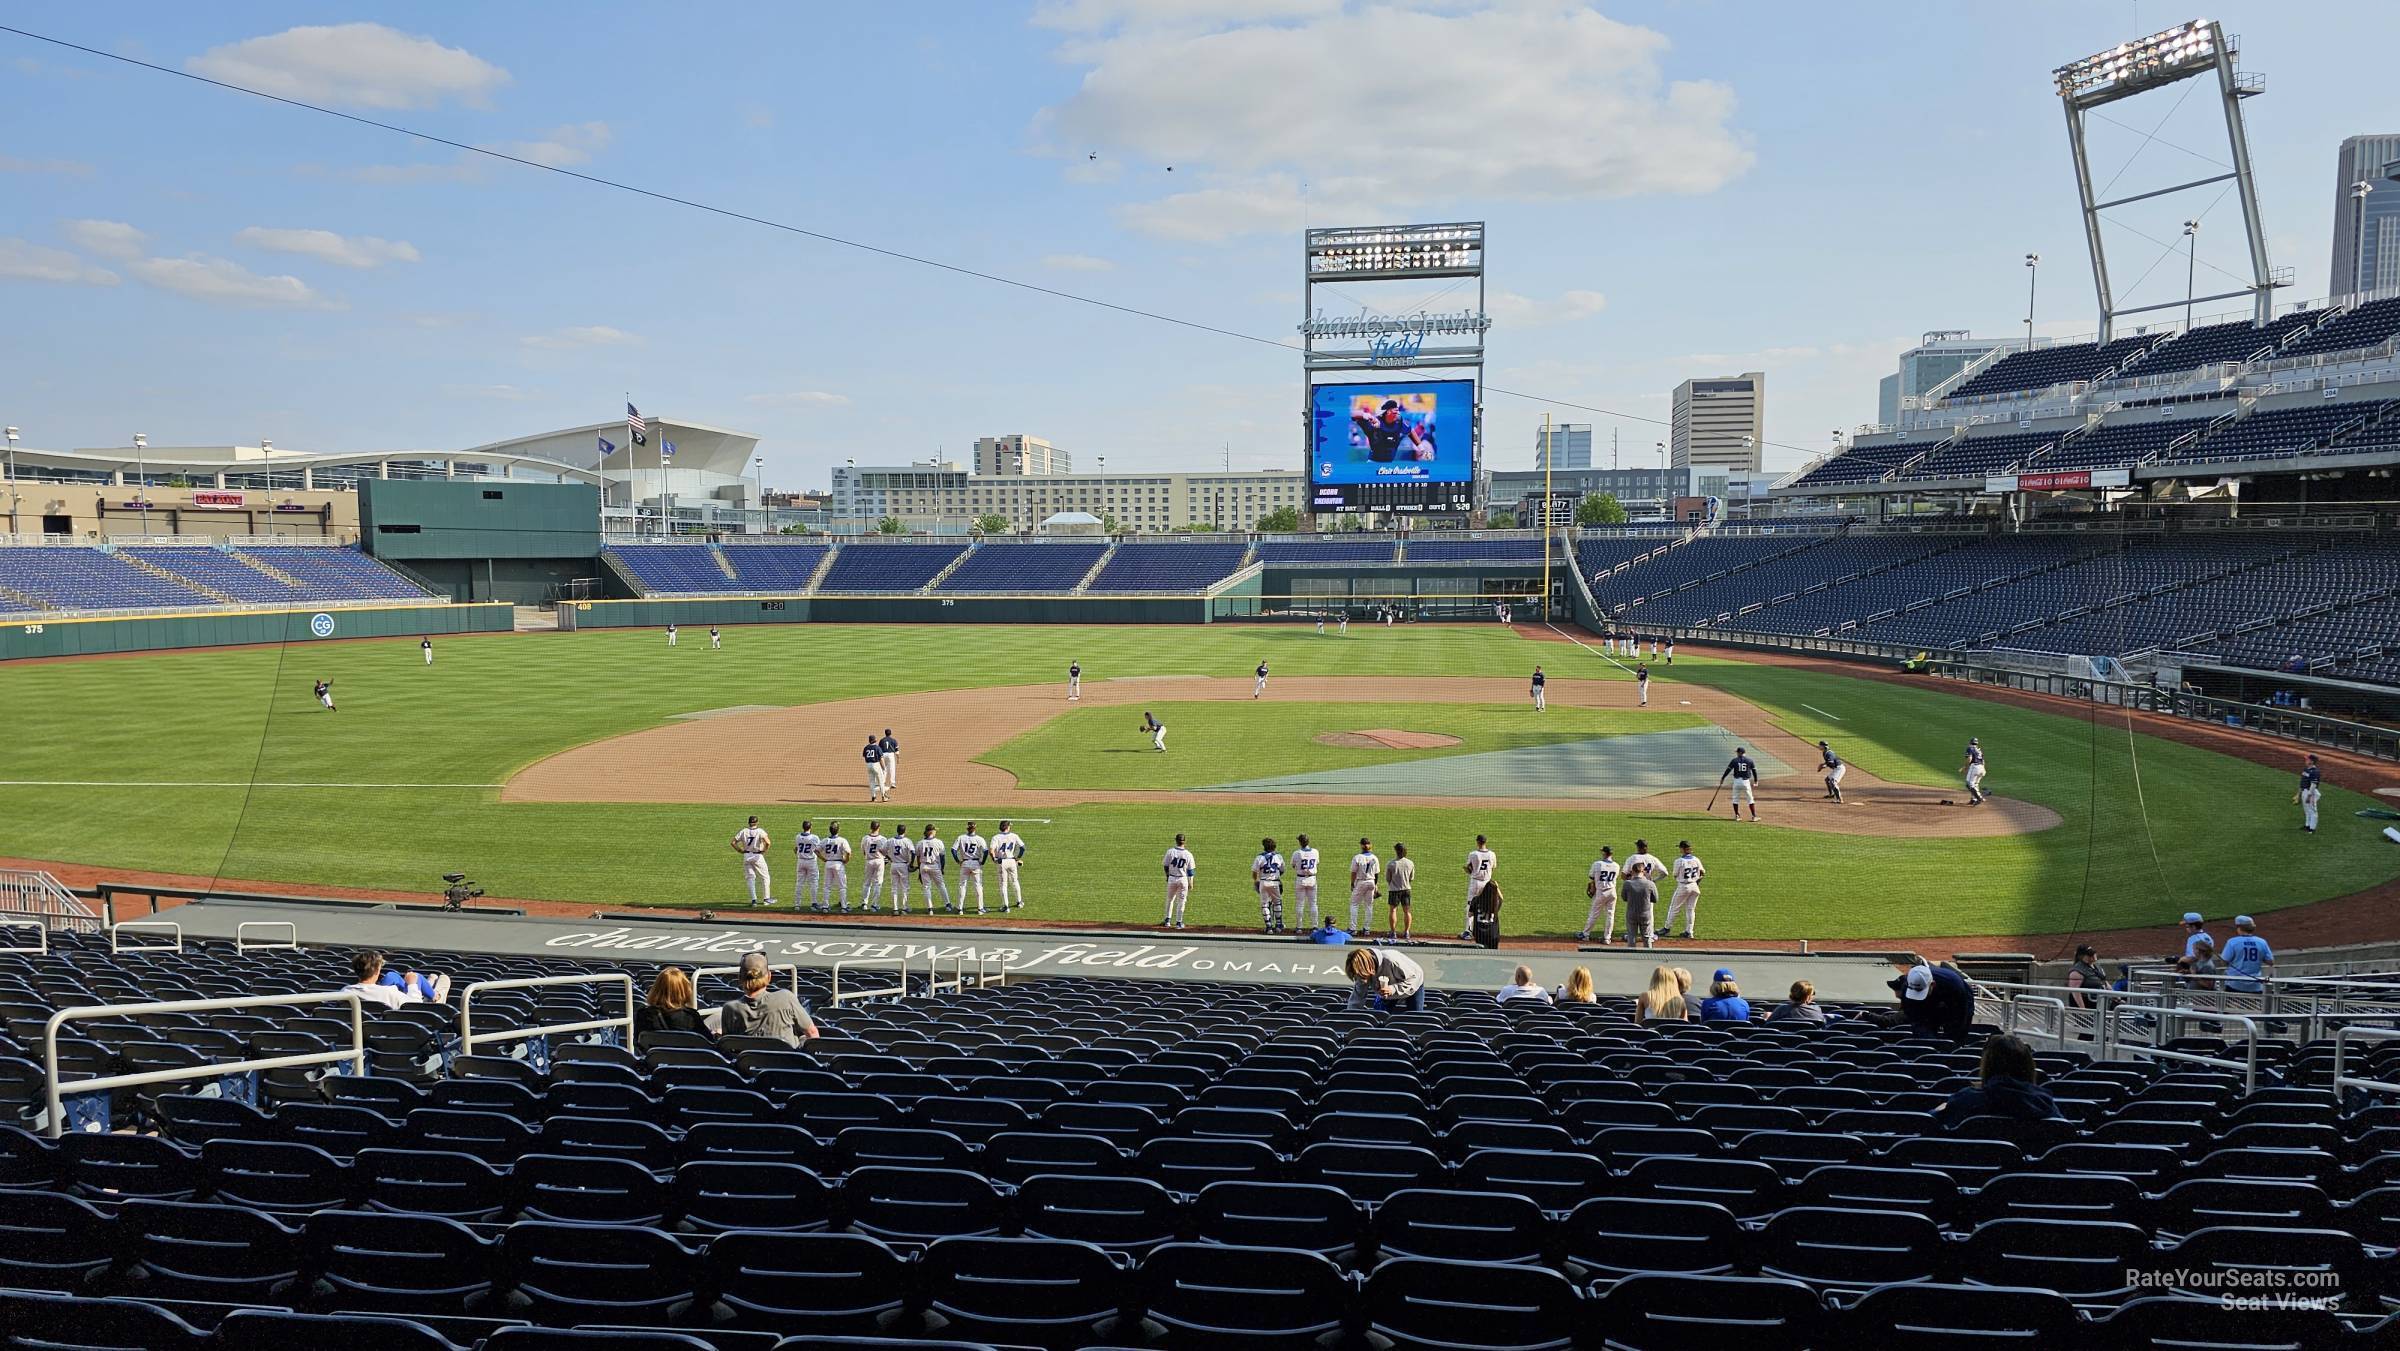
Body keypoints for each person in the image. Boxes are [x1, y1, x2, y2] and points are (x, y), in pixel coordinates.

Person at [1935, 1034, 2059, 1125]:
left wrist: (1938, 1110)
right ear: (2028, 1066)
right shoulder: (2043, 1103)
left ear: (1987, 1065)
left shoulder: (1966, 1099)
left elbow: (1928, 1124)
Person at [718, 951, 818, 1045]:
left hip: (749, 1061)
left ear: (740, 978)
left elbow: (728, 1045)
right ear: (769, 976)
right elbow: (812, 1033)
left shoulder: (729, 1009)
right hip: (787, 1061)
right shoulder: (786, 998)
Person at [1895, 962, 1972, 1042]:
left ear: (1932, 984)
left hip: (1958, 1000)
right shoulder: (1907, 986)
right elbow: (1913, 1016)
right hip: (1933, 1001)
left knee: (1956, 1036)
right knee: (1923, 1032)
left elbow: (1961, 1017)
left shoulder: (1954, 985)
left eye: (1921, 992)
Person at [1345, 945, 1426, 1012]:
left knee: (1415, 1016)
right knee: (1380, 1016)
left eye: (1362, 975)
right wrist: (1352, 1014)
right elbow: (1358, 996)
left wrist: (1392, 989)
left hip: (1414, 983)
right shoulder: (1360, 971)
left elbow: (1412, 979)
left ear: (1368, 967)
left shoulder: (1391, 960)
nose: (1361, 978)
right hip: (1386, 991)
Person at [636, 966, 710, 1039]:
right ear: (684, 990)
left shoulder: (643, 1014)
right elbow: (708, 1042)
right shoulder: (691, 1017)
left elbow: (638, 1043)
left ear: (656, 988)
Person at [1620, 840, 1662, 951]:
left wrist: (1631, 883)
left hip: (1632, 909)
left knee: (1631, 937)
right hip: (1647, 899)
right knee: (1647, 936)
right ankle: (1648, 957)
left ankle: (1630, 959)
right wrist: (1653, 881)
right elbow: (1655, 899)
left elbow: (1624, 896)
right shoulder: (1652, 860)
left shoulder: (1632, 860)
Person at [1661, 841, 1705, 940]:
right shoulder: (1696, 860)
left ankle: (1666, 928)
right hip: (1694, 887)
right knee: (1691, 910)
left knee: (1674, 908)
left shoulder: (1679, 861)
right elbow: (1702, 872)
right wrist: (1696, 882)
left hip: (1683, 886)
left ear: (1683, 849)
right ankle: (1689, 931)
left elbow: (1675, 875)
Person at [2222, 915, 2276, 995]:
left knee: (2232, 1006)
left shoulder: (2232, 942)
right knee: (2253, 1007)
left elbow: (2224, 962)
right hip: (2255, 986)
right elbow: (2270, 962)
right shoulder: (2261, 942)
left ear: (2239, 928)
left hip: (2234, 985)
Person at [1579, 845, 1621, 944]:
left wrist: (1594, 886)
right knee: (1610, 915)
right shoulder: (1617, 865)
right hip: (1612, 892)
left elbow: (1592, 877)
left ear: (1604, 853)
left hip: (1601, 892)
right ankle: (1607, 938)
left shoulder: (1597, 864)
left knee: (1594, 914)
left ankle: (1585, 935)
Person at [732, 815, 772, 907]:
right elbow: (768, 842)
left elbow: (733, 842)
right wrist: (764, 850)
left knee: (750, 878)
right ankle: (766, 899)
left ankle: (754, 901)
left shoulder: (743, 831)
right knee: (765, 877)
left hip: (747, 855)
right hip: (758, 856)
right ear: (757, 822)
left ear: (748, 823)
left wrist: (740, 850)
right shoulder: (760, 831)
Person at [950, 821, 990, 916]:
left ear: (967, 828)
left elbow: (953, 850)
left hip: (965, 863)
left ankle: (960, 909)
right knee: (978, 886)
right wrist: (982, 862)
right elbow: (986, 851)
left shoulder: (961, 838)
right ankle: (980, 909)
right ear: (975, 828)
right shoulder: (979, 839)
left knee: (962, 886)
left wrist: (958, 861)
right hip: (976, 863)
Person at [1462, 834, 1497, 942]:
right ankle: (1488, 929)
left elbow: (1469, 868)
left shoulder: (1473, 854)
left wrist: (1467, 870)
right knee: (1488, 905)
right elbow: (1493, 867)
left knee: (1470, 906)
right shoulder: (1492, 854)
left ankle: (1468, 931)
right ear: (1485, 842)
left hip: (1475, 883)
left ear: (1477, 842)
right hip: (1487, 883)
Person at [1252, 837, 1287, 935]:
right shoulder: (1279, 856)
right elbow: (1283, 869)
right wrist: (1277, 876)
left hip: (1263, 883)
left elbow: (1254, 871)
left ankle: (1269, 927)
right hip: (1275, 882)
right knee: (1277, 902)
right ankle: (1279, 925)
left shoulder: (1259, 857)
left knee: (1264, 904)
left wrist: (1256, 881)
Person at [991, 819, 1028, 912]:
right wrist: (1018, 858)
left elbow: (991, 850)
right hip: (1012, 861)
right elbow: (1023, 848)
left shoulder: (996, 837)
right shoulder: (1014, 836)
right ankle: (1019, 902)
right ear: (1007, 827)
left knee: (1003, 885)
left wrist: (994, 859)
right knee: (1015, 881)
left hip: (1001, 862)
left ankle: (1005, 906)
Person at [1161, 833, 1196, 929]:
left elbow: (1165, 865)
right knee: (1181, 901)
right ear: (1184, 841)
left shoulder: (1170, 852)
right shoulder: (1188, 854)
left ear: (1176, 840)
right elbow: (1191, 871)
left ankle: (1167, 921)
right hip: (1183, 879)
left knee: (1170, 899)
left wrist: (1167, 876)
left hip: (1172, 878)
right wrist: (1191, 883)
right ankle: (1179, 923)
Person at [916, 824, 951, 914]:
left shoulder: (920, 843)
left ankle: (930, 909)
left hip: (923, 866)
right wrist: (942, 868)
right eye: (935, 830)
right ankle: (947, 905)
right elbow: (942, 857)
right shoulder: (939, 842)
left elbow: (918, 857)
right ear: (931, 831)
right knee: (941, 885)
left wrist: (920, 870)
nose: (936, 832)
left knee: (926, 887)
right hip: (935, 866)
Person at [1347, 838, 1380, 934]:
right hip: (1371, 882)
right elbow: (1376, 874)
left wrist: (1352, 884)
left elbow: (1353, 872)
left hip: (1361, 882)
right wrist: (1376, 885)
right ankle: (1367, 929)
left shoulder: (1357, 857)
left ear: (1362, 845)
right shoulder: (1375, 858)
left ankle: (1353, 929)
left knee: (1354, 904)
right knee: (1369, 906)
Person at [1719, 747, 1760, 822]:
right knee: (1750, 799)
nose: (1737, 753)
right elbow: (1754, 771)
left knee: (1735, 799)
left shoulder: (1734, 760)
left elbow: (1728, 770)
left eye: (1737, 752)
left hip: (1737, 782)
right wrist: (1756, 780)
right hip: (1745, 782)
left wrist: (1723, 778)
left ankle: (1737, 816)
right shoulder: (1750, 760)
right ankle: (1754, 816)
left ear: (1740, 753)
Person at [882, 823, 915, 915]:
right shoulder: (907, 841)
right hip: (903, 865)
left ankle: (895, 908)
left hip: (894, 865)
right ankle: (904, 908)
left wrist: (889, 858)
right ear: (905, 831)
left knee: (894, 887)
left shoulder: (890, 840)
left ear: (897, 830)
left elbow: (882, 850)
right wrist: (911, 863)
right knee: (905, 887)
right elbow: (913, 852)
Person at [1290, 834, 1321, 930]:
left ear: (1300, 842)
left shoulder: (1297, 853)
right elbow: (1317, 863)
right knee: (1313, 903)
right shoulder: (1315, 851)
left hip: (1300, 879)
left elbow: (1293, 865)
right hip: (1312, 879)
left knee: (1300, 903)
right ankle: (1315, 926)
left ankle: (1299, 927)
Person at [819, 823, 851, 912]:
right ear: (838, 830)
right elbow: (848, 852)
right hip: (838, 864)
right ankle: (844, 907)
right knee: (842, 886)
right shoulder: (842, 840)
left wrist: (823, 859)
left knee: (827, 886)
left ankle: (825, 906)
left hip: (828, 863)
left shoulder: (825, 840)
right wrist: (846, 860)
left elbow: (816, 850)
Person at [1386, 842, 1414, 941]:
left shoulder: (1391, 864)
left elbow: (1388, 879)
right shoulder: (1410, 863)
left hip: (1394, 890)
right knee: (1407, 911)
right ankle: (1406, 932)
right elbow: (1411, 878)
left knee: (1393, 910)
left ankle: (1393, 932)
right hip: (1406, 889)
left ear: (1396, 851)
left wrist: (1393, 884)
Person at [792, 820, 821, 911]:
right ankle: (814, 903)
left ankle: (797, 904)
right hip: (811, 861)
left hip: (800, 861)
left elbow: (796, 849)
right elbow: (818, 849)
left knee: (799, 883)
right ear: (810, 827)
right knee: (813, 883)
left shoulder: (797, 837)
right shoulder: (814, 838)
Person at [860, 821, 889, 913]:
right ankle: (874, 905)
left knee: (867, 883)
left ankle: (864, 903)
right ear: (878, 827)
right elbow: (886, 852)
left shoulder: (865, 838)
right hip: (879, 861)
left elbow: (863, 851)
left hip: (869, 861)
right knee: (878, 883)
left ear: (871, 827)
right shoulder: (883, 839)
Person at [1469, 881, 1502, 950]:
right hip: (1493, 934)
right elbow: (1501, 898)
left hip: (1479, 934)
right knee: (1493, 955)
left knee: (1481, 954)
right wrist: (1497, 888)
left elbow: (1470, 914)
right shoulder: (1495, 903)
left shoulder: (1476, 900)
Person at [2296, 753, 2322, 833]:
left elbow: (2313, 785)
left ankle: (2312, 829)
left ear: (2312, 761)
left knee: (2313, 811)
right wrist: (2298, 794)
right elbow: (2302, 783)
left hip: (2311, 793)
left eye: (2307, 759)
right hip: (2304, 791)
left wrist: (2309, 796)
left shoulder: (2315, 772)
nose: (2305, 760)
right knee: (2307, 810)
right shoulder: (2306, 769)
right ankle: (2307, 826)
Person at [1962, 737, 1987, 806]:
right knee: (1975, 784)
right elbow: (1983, 761)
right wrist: (1984, 769)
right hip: (1982, 768)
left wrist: (1965, 767)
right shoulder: (1979, 750)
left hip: (1975, 767)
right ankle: (1974, 799)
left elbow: (1970, 758)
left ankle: (1979, 798)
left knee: (1969, 783)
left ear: (1970, 742)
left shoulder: (1970, 748)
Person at [863, 735, 888, 803]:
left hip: (868, 765)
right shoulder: (877, 748)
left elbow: (864, 757)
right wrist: (884, 768)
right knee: (881, 781)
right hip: (875, 764)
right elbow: (881, 759)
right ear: (875, 740)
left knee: (871, 782)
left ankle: (873, 797)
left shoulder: (866, 748)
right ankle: (883, 796)